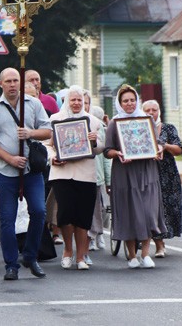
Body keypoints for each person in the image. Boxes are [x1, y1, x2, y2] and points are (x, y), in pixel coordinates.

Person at [0, 67, 52, 281]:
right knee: (7, 220)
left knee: (39, 211)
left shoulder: (34, 104)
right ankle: (11, 264)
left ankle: (30, 255)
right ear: (0, 83)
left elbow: (48, 131)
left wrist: (30, 133)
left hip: (31, 170)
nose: (12, 85)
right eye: (8, 81)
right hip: (6, 171)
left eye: (15, 81)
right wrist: (9, 158)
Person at [103, 85, 166, 269]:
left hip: (147, 170)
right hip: (125, 173)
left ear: (137, 101)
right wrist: (118, 153)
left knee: (148, 212)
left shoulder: (147, 120)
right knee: (129, 212)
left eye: (132, 100)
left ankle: (145, 253)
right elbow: (107, 150)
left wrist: (159, 149)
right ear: (120, 103)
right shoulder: (115, 123)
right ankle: (131, 255)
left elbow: (157, 143)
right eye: (125, 101)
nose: (129, 104)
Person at [45, 86, 105, 270]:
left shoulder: (93, 121)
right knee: (65, 213)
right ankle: (67, 251)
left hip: (85, 174)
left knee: (83, 216)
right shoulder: (55, 119)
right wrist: (52, 157)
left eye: (80, 100)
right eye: (73, 100)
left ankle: (81, 256)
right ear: (66, 101)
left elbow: (102, 147)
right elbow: (46, 144)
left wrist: (94, 141)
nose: (77, 103)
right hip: (62, 173)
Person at [142, 100, 182, 258]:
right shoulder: (137, 128)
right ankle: (158, 244)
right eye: (147, 110)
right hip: (145, 172)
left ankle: (161, 243)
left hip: (167, 174)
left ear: (159, 111)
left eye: (154, 109)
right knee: (150, 209)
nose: (151, 113)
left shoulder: (168, 128)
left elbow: (179, 149)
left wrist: (165, 146)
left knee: (166, 208)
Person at [88, 105, 112, 252]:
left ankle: (100, 233)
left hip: (98, 176)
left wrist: (108, 180)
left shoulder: (101, 129)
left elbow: (105, 158)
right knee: (90, 209)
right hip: (85, 174)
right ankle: (90, 237)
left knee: (102, 208)